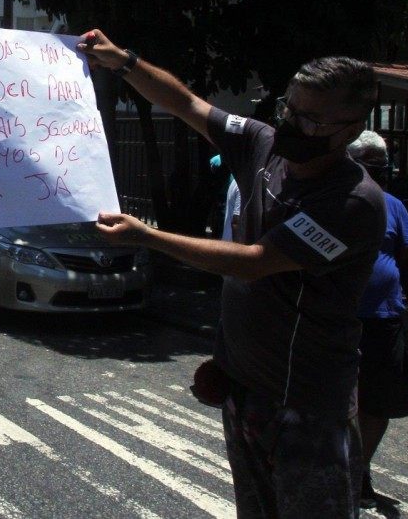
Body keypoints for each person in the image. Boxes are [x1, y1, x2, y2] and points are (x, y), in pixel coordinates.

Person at [79, 31, 386, 519]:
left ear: (350, 129)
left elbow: (255, 261)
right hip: (246, 392)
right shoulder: (266, 147)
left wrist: (148, 237)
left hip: (307, 408)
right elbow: (186, 104)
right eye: (290, 108)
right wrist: (125, 61)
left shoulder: (352, 202)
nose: (290, 124)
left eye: (310, 119)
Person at [347, 131, 408, 509]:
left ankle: (358, 469)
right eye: (369, 164)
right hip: (336, 320)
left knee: (376, 403)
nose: (378, 173)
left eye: (381, 166)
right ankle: (338, 465)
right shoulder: (332, 202)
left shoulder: (395, 207)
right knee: (335, 399)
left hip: (383, 322)